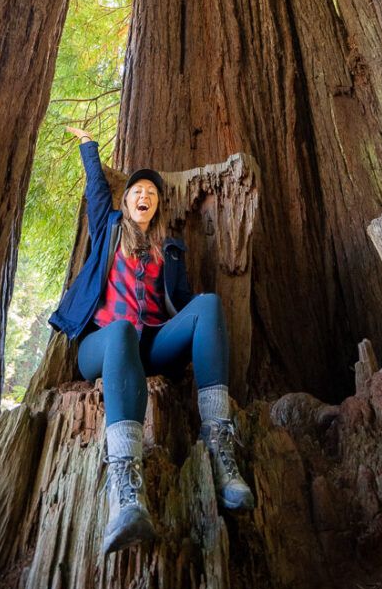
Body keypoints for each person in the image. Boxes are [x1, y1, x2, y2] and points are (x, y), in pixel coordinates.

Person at [48, 128, 254, 554]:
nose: (144, 195)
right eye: (136, 191)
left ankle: (219, 448)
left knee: (209, 304)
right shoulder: (107, 229)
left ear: (158, 205)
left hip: (154, 345)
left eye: (151, 193)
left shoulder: (171, 250)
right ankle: (125, 490)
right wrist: (89, 146)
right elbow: (95, 190)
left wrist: (193, 326)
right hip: (102, 346)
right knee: (121, 328)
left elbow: (182, 305)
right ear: (125, 202)